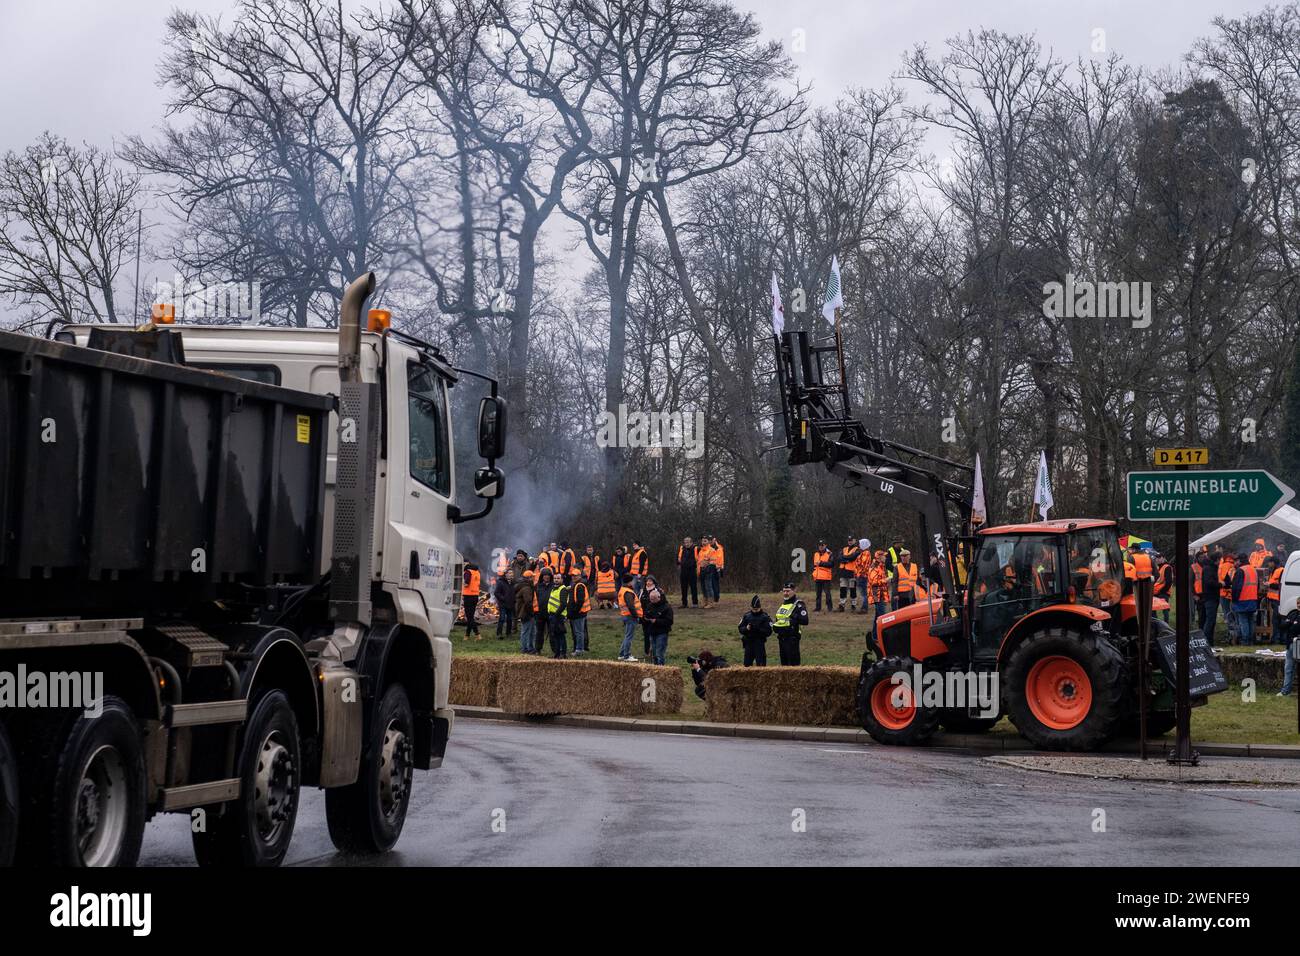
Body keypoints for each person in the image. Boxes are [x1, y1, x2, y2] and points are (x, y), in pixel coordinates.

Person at [772, 583, 809, 665]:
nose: (785, 593)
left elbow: (805, 621)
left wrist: (794, 617)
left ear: (794, 591)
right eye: (784, 591)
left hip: (792, 639)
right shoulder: (783, 605)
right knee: (784, 666)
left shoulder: (799, 604)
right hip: (781, 638)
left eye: (788, 591)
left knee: (793, 667)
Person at [1230, 552, 1259, 646]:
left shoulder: (1240, 570)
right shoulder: (1253, 570)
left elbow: (1236, 587)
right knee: (1250, 620)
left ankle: (1245, 641)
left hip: (1242, 599)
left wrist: (1234, 599)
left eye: (1237, 560)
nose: (1236, 562)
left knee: (1243, 621)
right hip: (1253, 599)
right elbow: (1257, 585)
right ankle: (1251, 640)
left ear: (1240, 560)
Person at [641, 586, 674, 665]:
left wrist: (656, 621)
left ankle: (661, 669)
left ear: (659, 597)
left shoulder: (667, 607)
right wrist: (645, 619)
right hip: (652, 632)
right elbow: (645, 615)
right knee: (654, 654)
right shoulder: (650, 605)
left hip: (662, 633)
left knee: (660, 653)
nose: (652, 601)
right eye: (651, 599)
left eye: (653, 599)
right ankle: (655, 669)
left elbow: (669, 621)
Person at [737, 594, 771, 666]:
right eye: (753, 609)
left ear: (760, 607)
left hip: (759, 643)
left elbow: (769, 631)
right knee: (747, 665)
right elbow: (740, 628)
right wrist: (746, 628)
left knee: (761, 665)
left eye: (756, 609)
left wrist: (758, 629)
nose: (755, 611)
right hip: (748, 643)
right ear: (751, 607)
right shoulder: (746, 616)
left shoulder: (765, 617)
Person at [616, 575, 643, 662]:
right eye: (633, 581)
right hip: (630, 616)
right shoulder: (628, 592)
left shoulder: (622, 590)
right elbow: (631, 606)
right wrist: (636, 615)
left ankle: (622, 654)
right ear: (630, 582)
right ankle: (627, 655)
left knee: (627, 636)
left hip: (625, 615)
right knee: (629, 637)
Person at [544, 572, 570, 658]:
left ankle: (563, 653)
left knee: (560, 635)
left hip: (558, 616)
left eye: (558, 578)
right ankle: (557, 653)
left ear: (562, 579)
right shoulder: (554, 588)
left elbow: (563, 604)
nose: (556, 580)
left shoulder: (563, 589)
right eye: (555, 578)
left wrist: (556, 615)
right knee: (555, 635)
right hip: (552, 615)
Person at [1278, 597, 1299, 696]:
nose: (1299, 605)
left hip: (1298, 644)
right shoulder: (1293, 614)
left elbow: (1296, 628)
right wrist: (1290, 622)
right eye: (1298, 603)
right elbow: (1282, 626)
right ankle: (1285, 691)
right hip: (1290, 644)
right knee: (1288, 668)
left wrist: (1291, 623)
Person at [1197, 551, 1220, 643]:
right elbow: (1209, 582)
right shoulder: (1209, 569)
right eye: (1219, 559)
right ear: (1216, 560)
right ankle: (1205, 641)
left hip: (1212, 597)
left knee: (1212, 619)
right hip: (1210, 597)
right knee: (1210, 619)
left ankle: (1210, 641)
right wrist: (1220, 584)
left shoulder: (1211, 568)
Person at [532, 568, 555, 654]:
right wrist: (535, 611)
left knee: (552, 633)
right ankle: (538, 649)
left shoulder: (554, 586)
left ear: (550, 576)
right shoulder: (538, 586)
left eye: (548, 575)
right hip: (540, 613)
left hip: (551, 614)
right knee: (539, 633)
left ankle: (555, 650)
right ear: (542, 576)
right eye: (544, 575)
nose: (546, 577)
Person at [568, 571, 591, 656]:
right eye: (572, 576)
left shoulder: (579, 586)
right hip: (580, 613)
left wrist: (574, 611)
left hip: (579, 613)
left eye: (575, 576)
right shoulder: (577, 585)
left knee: (579, 632)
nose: (573, 577)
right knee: (579, 632)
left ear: (579, 576)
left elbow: (580, 601)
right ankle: (579, 648)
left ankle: (579, 649)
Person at [515, 568, 536, 654]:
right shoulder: (527, 588)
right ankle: (525, 649)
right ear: (528, 578)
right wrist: (531, 612)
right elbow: (528, 602)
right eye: (532, 577)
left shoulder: (524, 586)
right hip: (526, 613)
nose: (534, 578)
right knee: (526, 631)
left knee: (530, 631)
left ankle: (529, 647)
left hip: (525, 612)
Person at [837, 536, 861, 612]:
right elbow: (839, 557)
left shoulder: (857, 549)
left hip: (852, 572)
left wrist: (844, 558)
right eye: (849, 540)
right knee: (842, 589)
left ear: (855, 541)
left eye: (851, 540)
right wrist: (846, 559)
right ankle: (842, 605)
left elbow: (853, 557)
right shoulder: (844, 549)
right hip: (843, 572)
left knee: (852, 589)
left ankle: (853, 605)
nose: (850, 541)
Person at [867, 550, 890, 626]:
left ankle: (875, 636)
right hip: (877, 595)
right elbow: (874, 582)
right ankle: (881, 636)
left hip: (880, 594)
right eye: (884, 556)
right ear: (879, 557)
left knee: (878, 617)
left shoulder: (880, 566)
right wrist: (886, 580)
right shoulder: (874, 567)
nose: (885, 558)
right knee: (882, 618)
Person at [697, 535, 721, 607]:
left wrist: (707, 562)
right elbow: (699, 562)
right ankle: (705, 601)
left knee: (708, 586)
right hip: (701, 570)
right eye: (702, 541)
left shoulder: (711, 550)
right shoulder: (701, 550)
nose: (703, 542)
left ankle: (711, 602)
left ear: (708, 542)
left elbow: (713, 561)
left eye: (705, 541)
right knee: (703, 586)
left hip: (708, 570)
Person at [677, 536, 699, 608]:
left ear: (691, 542)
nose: (686, 544)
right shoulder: (682, 549)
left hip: (692, 571)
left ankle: (695, 603)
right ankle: (684, 603)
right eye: (685, 542)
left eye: (688, 542)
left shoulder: (696, 549)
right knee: (683, 588)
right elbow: (678, 559)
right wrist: (679, 563)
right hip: (683, 571)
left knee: (693, 588)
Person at [462, 560, 482, 640]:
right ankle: (467, 635)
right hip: (475, 596)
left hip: (468, 596)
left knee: (469, 617)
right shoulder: (477, 572)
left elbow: (466, 583)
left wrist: (462, 582)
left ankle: (477, 634)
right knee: (471, 617)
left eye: (464, 564)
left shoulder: (467, 572)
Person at [812, 541, 834, 611]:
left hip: (826, 577)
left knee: (827, 594)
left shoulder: (829, 554)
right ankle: (818, 608)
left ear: (825, 545)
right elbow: (815, 565)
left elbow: (831, 564)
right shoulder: (816, 554)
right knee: (818, 594)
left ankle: (830, 608)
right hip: (817, 576)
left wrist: (821, 563)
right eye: (819, 545)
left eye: (822, 545)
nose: (821, 546)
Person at [494, 568, 516, 639]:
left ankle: (508, 633)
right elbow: (496, 593)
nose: (511, 574)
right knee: (502, 619)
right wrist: (503, 599)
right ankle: (499, 633)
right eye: (509, 573)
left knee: (509, 619)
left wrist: (514, 600)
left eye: (512, 573)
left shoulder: (513, 583)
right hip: (503, 604)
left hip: (511, 604)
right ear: (505, 574)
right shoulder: (501, 582)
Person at [1153, 556, 1173, 623]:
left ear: (1164, 558)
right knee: (1153, 609)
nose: (1158, 559)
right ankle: (1156, 625)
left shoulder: (1167, 567)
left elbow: (1169, 581)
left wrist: (1162, 591)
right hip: (1156, 592)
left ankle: (1166, 625)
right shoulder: (1158, 568)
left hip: (1163, 592)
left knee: (1165, 610)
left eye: (1159, 558)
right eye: (1157, 558)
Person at [853, 544, 872, 615]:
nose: (859, 546)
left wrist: (859, 573)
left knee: (864, 593)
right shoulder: (863, 553)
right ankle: (864, 607)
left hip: (862, 576)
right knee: (863, 593)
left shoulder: (866, 553)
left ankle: (864, 608)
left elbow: (864, 565)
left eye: (860, 545)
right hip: (861, 575)